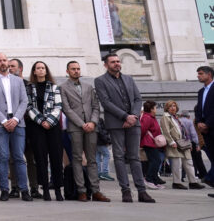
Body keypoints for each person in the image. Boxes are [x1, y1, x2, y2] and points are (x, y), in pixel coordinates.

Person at [94, 53, 154, 203]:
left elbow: (138, 99)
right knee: (119, 157)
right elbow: (106, 102)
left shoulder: (129, 79)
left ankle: (142, 191)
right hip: (116, 123)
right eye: (113, 62)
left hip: (133, 123)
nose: (116, 64)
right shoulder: (100, 81)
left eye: (118, 61)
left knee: (134, 157)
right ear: (106, 65)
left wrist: (132, 116)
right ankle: (125, 191)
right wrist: (124, 116)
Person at [59, 60, 110, 202]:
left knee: (92, 159)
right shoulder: (62, 88)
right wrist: (82, 124)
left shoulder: (88, 87)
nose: (76, 71)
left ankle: (95, 191)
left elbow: (95, 106)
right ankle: (81, 190)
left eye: (78, 68)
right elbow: (66, 109)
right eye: (73, 69)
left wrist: (93, 122)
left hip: (91, 127)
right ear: (67, 71)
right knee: (77, 159)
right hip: (75, 127)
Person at [0, 52, 32, 202]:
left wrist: (16, 119)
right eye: (0, 61)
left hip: (18, 123)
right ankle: (5, 189)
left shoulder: (18, 81)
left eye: (5, 60)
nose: (3, 63)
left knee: (19, 157)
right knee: (3, 157)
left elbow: (24, 101)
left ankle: (24, 190)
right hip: (0, 125)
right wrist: (4, 121)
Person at [25, 61, 64, 201]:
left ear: (46, 71)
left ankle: (58, 189)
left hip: (53, 127)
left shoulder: (54, 87)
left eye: (43, 68)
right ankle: (45, 189)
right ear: (34, 72)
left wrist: (49, 121)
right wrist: (42, 121)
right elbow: (29, 107)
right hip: (37, 127)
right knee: (40, 158)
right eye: (38, 68)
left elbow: (58, 106)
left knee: (56, 158)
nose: (41, 70)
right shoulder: (29, 88)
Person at [8, 58, 39, 199]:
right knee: (14, 158)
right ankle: (15, 187)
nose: (10, 69)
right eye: (8, 66)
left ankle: (34, 187)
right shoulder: (7, 85)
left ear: (21, 69)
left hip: (29, 126)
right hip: (12, 125)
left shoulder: (29, 85)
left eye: (12, 66)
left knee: (31, 158)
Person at [160, 100, 205, 190]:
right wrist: (171, 142)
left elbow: (183, 131)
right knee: (177, 164)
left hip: (183, 143)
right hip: (175, 143)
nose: (173, 108)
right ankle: (177, 182)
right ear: (167, 108)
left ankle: (193, 182)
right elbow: (166, 131)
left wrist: (189, 143)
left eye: (174, 106)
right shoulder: (165, 117)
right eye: (170, 106)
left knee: (189, 162)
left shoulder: (175, 117)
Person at [195, 65, 214, 186]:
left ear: (209, 74)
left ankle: (209, 178)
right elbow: (198, 110)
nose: (198, 76)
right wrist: (199, 123)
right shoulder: (201, 92)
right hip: (206, 131)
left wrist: (207, 124)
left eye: (201, 73)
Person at [139, 100, 164, 189]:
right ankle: (149, 179)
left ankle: (154, 180)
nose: (156, 109)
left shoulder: (150, 117)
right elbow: (142, 130)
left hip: (152, 143)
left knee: (156, 161)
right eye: (155, 108)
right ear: (151, 109)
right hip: (148, 143)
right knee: (155, 161)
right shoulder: (147, 117)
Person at [178, 112, 207, 180]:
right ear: (188, 116)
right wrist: (197, 144)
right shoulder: (189, 122)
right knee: (197, 159)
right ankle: (203, 175)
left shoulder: (177, 121)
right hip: (190, 143)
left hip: (179, 142)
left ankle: (182, 176)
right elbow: (193, 134)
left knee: (182, 160)